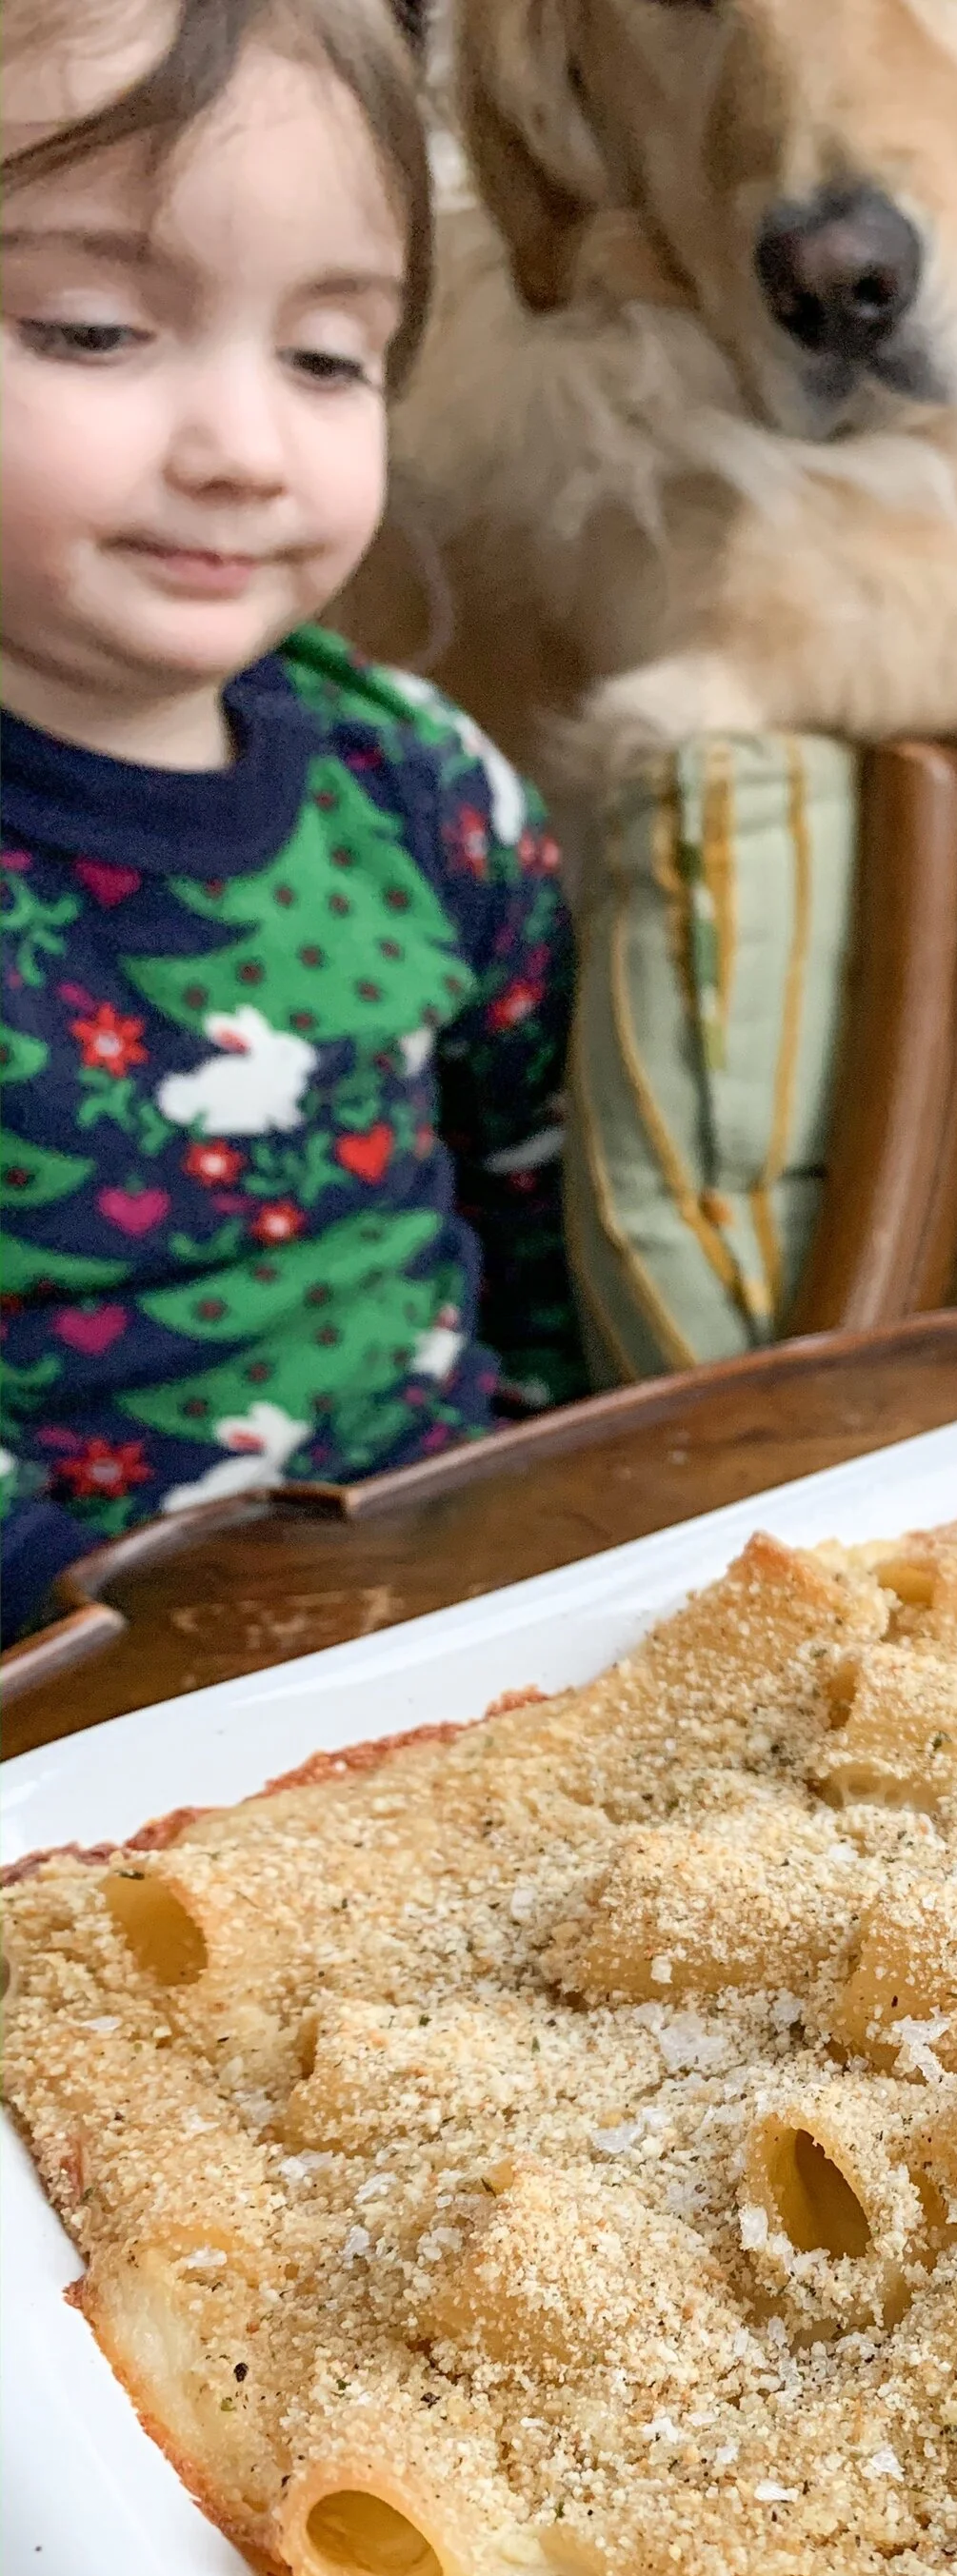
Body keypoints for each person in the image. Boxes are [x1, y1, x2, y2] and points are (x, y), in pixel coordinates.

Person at [0, 0, 579, 1645]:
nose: (247, 449)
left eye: (328, 359)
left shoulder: (425, 790)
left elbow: (533, 1203)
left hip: (461, 1608)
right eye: (93, 331)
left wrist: (553, 1516)